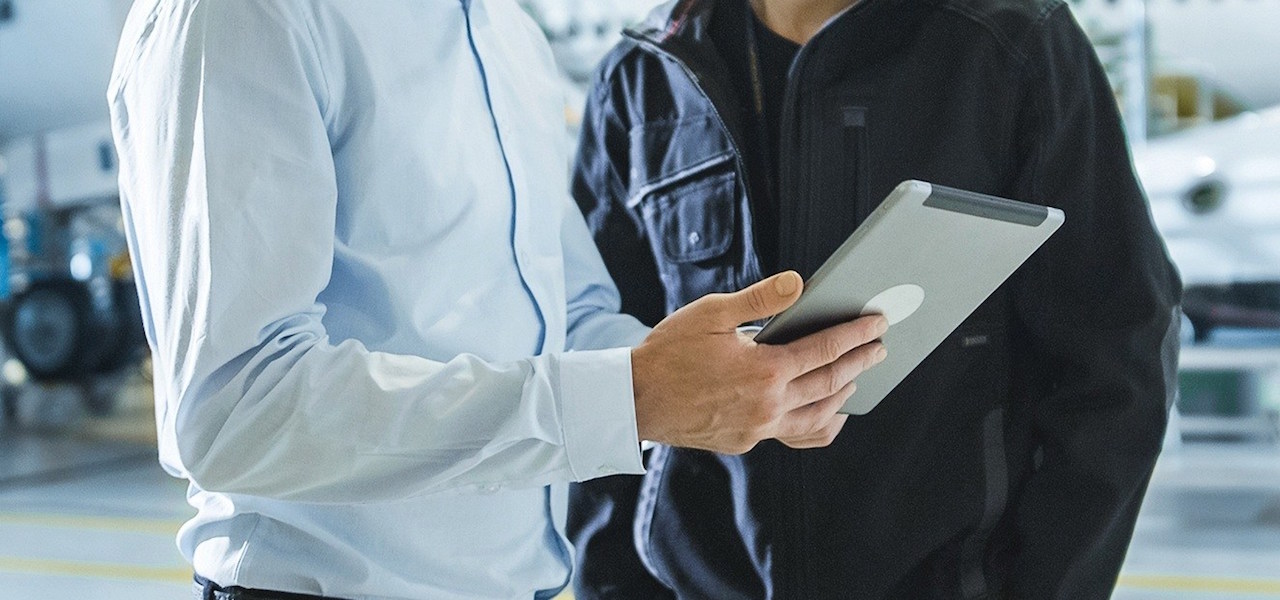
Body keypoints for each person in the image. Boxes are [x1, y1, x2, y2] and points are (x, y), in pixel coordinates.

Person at [105, 1, 889, 599]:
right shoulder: (244, 16)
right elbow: (238, 404)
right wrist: (632, 396)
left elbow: (565, 314)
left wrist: (731, 375)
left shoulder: (502, 29)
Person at [567, 0, 1183, 598]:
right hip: (698, 582)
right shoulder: (644, 74)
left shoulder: (1006, 42)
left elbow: (1118, 349)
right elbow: (606, 362)